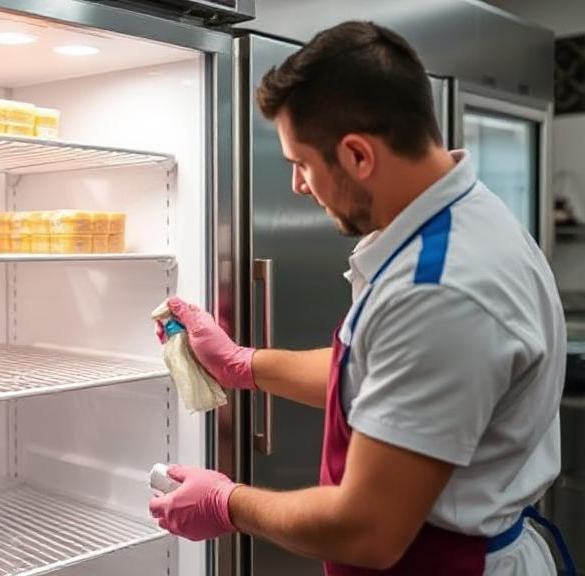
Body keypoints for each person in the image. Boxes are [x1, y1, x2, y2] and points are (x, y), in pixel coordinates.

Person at [149, 21, 575, 576]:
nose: (300, 186)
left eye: (301, 164)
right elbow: (387, 377)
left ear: (357, 155)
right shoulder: (457, 216)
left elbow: (367, 530)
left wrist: (226, 503)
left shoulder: (440, 291)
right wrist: (240, 366)